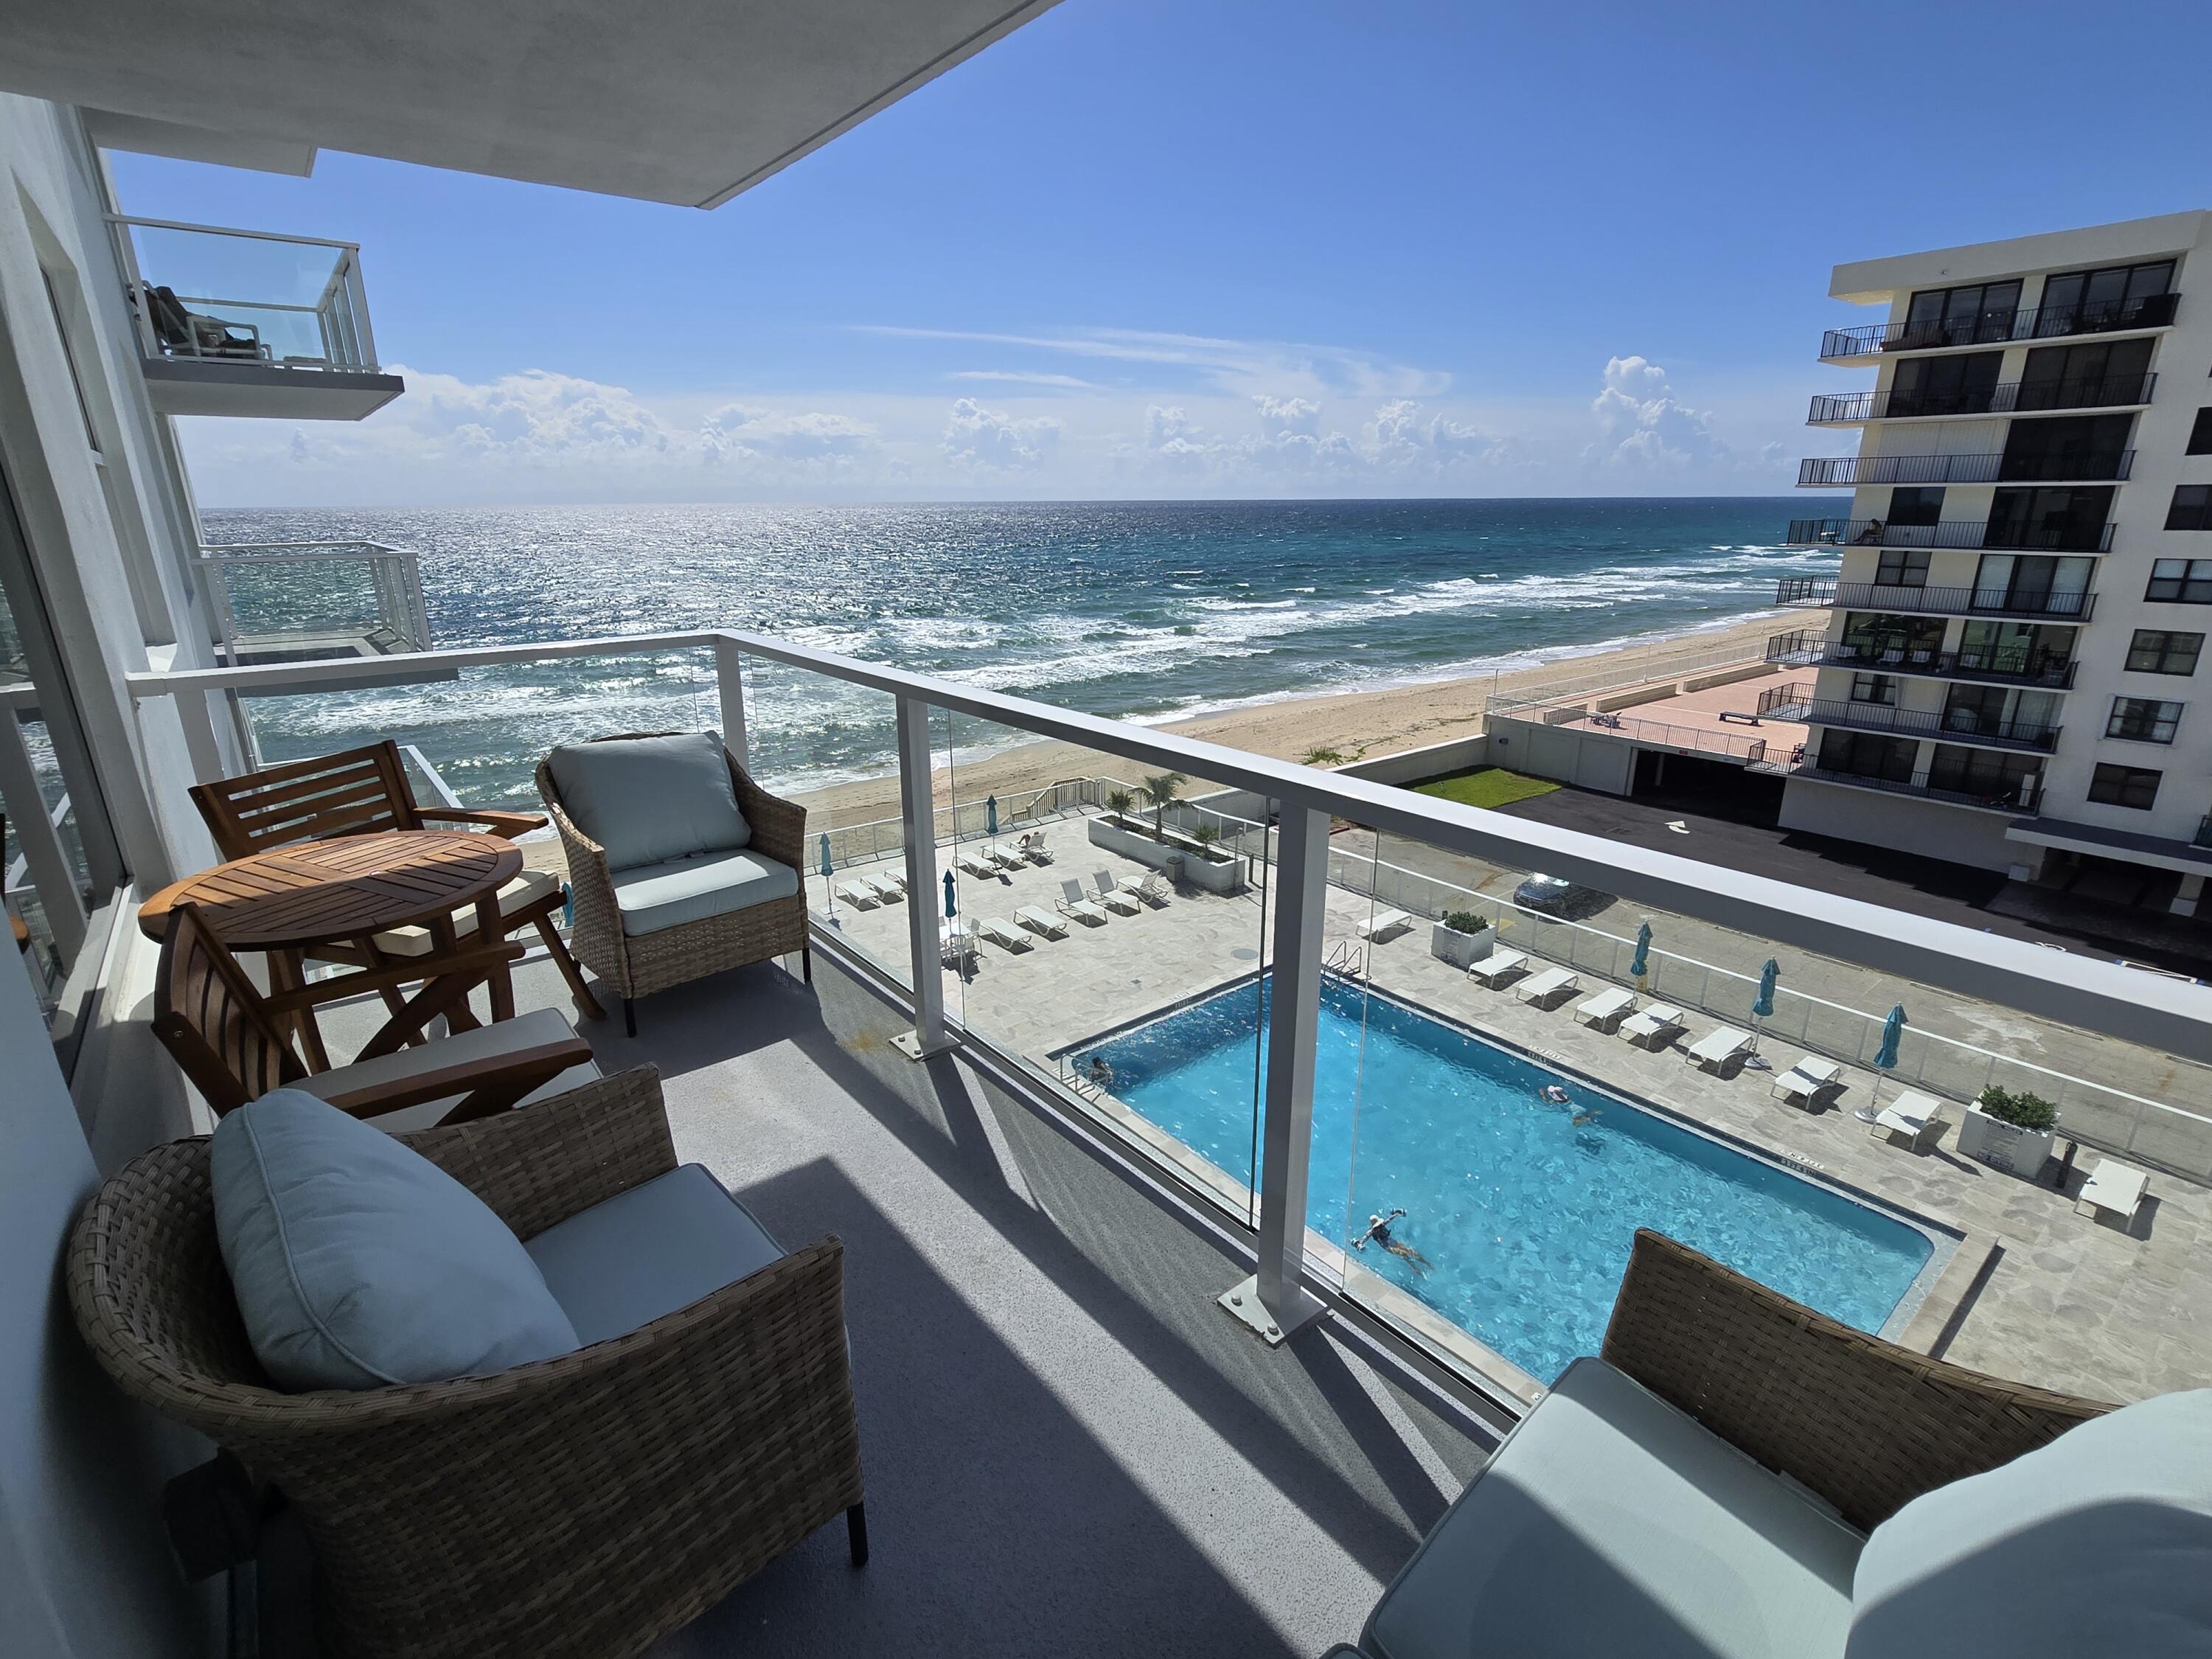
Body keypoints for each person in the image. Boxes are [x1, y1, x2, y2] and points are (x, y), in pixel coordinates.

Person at [1354, 1208, 1431, 1276]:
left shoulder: (1382, 1224)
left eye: (1380, 1224)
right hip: (1388, 1247)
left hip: (1393, 1242)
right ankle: (1415, 1268)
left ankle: (1427, 1263)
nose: (1380, 1226)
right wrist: (1360, 1243)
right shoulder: (1372, 1232)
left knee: (1410, 1250)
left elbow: (1389, 1220)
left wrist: (1396, 1214)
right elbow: (1366, 1237)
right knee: (1404, 1253)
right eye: (1378, 1226)